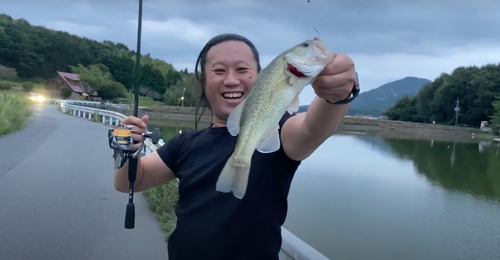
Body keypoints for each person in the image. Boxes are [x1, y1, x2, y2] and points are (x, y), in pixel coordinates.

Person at [114, 33, 358, 260]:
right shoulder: (184, 144)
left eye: (242, 69)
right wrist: (125, 148)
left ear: (262, 76)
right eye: (218, 71)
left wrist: (339, 94)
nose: (231, 80)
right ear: (204, 81)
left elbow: (313, 129)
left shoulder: (282, 132)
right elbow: (129, 182)